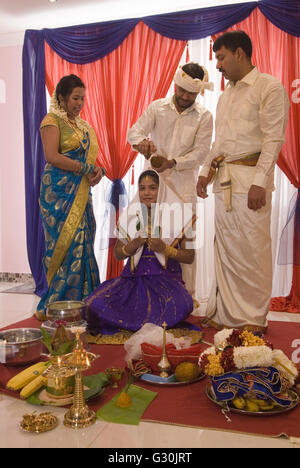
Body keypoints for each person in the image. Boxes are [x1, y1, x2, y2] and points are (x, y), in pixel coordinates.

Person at [197, 31, 290, 334]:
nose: (218, 65)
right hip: (224, 183)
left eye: (221, 57)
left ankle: (252, 318)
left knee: (252, 251)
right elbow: (219, 143)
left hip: (251, 182)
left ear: (239, 53)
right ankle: (225, 314)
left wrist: (260, 182)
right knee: (226, 250)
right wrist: (204, 172)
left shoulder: (269, 87)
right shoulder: (226, 95)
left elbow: (274, 138)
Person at [84, 170, 201, 344]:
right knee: (93, 305)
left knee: (183, 304)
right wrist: (133, 245)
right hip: (133, 281)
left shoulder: (181, 215)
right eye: (142, 188)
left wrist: (165, 249)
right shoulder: (130, 216)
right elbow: (117, 253)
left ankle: (136, 323)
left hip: (166, 281)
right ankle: (145, 323)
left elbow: (190, 256)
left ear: (161, 190)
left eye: (152, 188)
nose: (147, 193)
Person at [127, 62, 213, 297]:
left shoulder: (204, 116)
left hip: (183, 188)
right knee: (146, 239)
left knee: (183, 244)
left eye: (191, 93)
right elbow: (133, 132)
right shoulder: (157, 107)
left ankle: (187, 299)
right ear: (175, 84)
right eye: (182, 90)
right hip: (152, 188)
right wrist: (141, 144)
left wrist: (173, 163)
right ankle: (146, 296)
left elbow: (202, 152)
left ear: (199, 92)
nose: (185, 97)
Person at [36, 74, 105, 320]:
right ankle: (60, 303)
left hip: (80, 192)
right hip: (58, 194)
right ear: (62, 97)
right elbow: (52, 157)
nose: (80, 103)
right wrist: (83, 168)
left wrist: (97, 170)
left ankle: (86, 300)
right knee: (69, 245)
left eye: (83, 98)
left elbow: (87, 160)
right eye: (75, 98)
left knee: (85, 241)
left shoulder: (83, 126)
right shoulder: (51, 121)